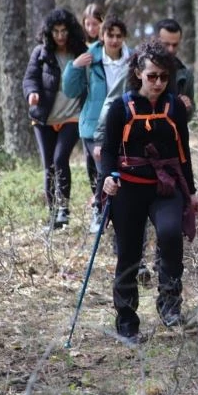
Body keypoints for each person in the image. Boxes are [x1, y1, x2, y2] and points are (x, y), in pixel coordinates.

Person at [99, 40, 198, 343]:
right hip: (128, 188)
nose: (158, 83)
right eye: (152, 76)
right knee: (129, 252)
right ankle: (127, 321)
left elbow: (183, 151)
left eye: (163, 77)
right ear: (138, 74)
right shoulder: (121, 107)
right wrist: (107, 180)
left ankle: (170, 303)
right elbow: (108, 150)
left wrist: (191, 191)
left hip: (165, 186)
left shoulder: (174, 107)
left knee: (170, 234)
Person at [62, 15, 131, 233]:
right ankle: (100, 212)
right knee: (102, 168)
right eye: (110, 35)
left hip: (124, 121)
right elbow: (71, 90)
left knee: (118, 168)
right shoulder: (90, 57)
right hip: (93, 123)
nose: (114, 40)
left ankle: (119, 212)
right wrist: (74, 67)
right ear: (102, 36)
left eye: (119, 36)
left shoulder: (132, 59)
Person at [23, 7, 87, 229]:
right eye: (56, 31)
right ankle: (53, 216)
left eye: (64, 31)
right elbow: (30, 78)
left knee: (60, 159)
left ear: (71, 31)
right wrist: (32, 93)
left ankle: (64, 209)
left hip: (72, 115)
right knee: (48, 165)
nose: (60, 36)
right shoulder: (40, 53)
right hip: (45, 117)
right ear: (49, 32)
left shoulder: (80, 52)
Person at [155, 18, 196, 121]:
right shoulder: (139, 69)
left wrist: (186, 107)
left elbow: (188, 116)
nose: (171, 49)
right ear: (155, 40)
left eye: (175, 45)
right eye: (166, 44)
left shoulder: (185, 75)